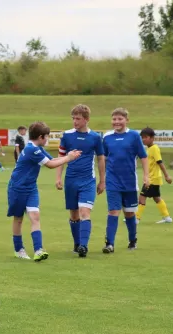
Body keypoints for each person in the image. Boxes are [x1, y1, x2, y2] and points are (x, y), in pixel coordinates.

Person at [8, 121, 81, 261]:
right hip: (17, 188)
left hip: (31, 188)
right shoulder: (32, 149)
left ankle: (38, 250)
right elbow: (50, 165)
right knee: (18, 219)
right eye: (46, 137)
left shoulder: (38, 148)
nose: (47, 139)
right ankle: (19, 249)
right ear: (41, 137)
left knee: (35, 216)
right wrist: (68, 158)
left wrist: (69, 155)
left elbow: (52, 159)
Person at [55, 104, 106, 258]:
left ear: (86, 119)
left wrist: (102, 181)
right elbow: (61, 157)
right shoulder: (67, 135)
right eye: (73, 118)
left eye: (78, 119)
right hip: (71, 180)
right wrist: (58, 177)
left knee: (85, 212)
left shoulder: (95, 137)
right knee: (74, 214)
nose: (75, 122)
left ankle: (84, 245)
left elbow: (101, 159)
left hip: (88, 181)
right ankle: (77, 244)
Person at [102, 108, 149, 253]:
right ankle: (109, 244)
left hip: (129, 182)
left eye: (120, 119)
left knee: (129, 213)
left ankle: (132, 240)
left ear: (126, 120)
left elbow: (143, 156)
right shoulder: (107, 137)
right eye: (114, 119)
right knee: (113, 211)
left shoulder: (134, 136)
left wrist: (146, 176)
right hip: (112, 181)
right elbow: (102, 158)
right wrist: (102, 178)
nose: (116, 122)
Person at [136, 127, 173, 224]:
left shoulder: (154, 148)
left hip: (152, 178)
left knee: (142, 197)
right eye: (142, 137)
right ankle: (167, 217)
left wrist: (167, 176)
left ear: (152, 138)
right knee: (156, 198)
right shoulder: (148, 149)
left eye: (145, 137)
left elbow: (160, 162)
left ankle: (136, 218)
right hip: (153, 178)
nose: (143, 139)